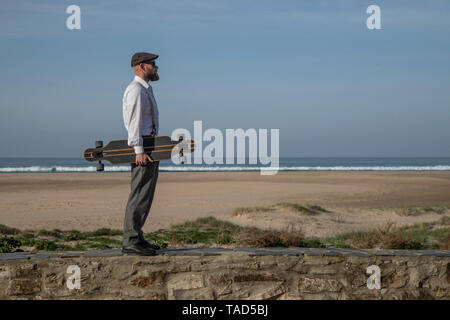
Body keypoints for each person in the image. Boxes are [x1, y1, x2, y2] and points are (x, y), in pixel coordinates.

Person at [122, 52, 161, 255]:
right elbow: (133, 122)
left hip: (150, 146)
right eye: (152, 64)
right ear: (140, 67)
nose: (156, 67)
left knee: (146, 194)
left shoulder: (146, 89)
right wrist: (139, 150)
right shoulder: (136, 90)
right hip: (143, 148)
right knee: (138, 194)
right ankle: (130, 240)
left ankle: (137, 237)